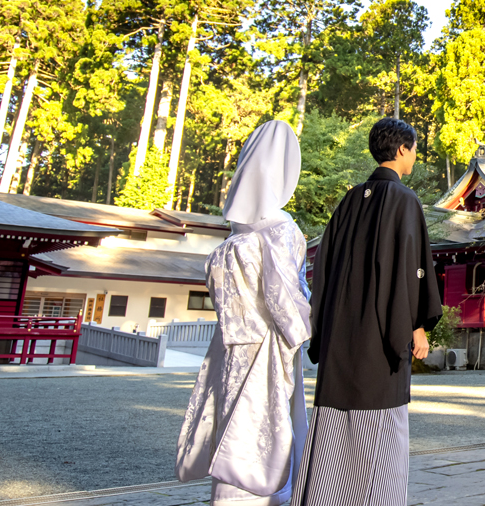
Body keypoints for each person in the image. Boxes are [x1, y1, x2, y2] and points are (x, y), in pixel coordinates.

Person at [294, 118, 443, 506]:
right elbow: (411, 268)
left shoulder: (348, 201)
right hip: (381, 337)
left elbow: (322, 268)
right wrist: (417, 326)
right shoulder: (404, 201)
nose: (415, 155)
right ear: (400, 151)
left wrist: (321, 327)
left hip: (340, 337)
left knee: (333, 431)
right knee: (382, 430)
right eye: (413, 148)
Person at [178, 120, 313, 506]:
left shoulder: (235, 234)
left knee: (231, 419)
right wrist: (309, 326)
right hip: (268, 344)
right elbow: (285, 295)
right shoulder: (280, 228)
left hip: (230, 344)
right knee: (265, 423)